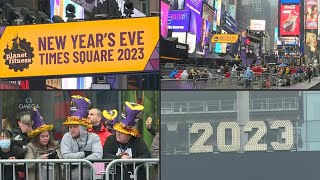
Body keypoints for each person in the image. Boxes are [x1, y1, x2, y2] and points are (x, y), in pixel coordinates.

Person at [103, 101, 151, 180]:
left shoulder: (137, 140)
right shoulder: (110, 139)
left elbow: (147, 155)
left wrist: (132, 161)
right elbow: (105, 155)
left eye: (121, 132)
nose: (118, 134)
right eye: (117, 131)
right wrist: (119, 159)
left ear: (129, 135)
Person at [60, 95, 103, 180]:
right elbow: (66, 156)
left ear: (83, 127)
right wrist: (85, 154)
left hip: (92, 171)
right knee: (88, 169)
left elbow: (98, 155)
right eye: (70, 127)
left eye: (75, 127)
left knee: (99, 165)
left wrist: (82, 161)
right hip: (72, 172)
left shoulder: (94, 137)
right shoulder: (67, 136)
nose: (72, 129)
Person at [24, 107, 62, 180]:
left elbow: (63, 161)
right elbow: (28, 164)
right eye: (42, 136)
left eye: (47, 136)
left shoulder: (55, 145)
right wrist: (40, 159)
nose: (45, 138)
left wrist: (56, 156)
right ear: (37, 138)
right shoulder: (30, 146)